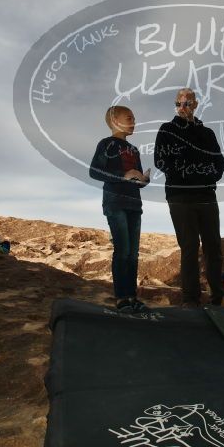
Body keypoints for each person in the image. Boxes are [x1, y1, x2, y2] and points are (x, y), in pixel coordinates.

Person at [155, 88, 224, 307]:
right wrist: (190, 173)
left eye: (186, 103)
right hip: (180, 196)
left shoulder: (208, 133)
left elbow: (218, 163)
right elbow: (161, 160)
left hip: (206, 196)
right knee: (189, 246)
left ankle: (218, 298)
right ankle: (190, 300)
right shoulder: (167, 130)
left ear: (195, 104)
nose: (181, 107)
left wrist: (206, 176)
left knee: (213, 246)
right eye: (178, 103)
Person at [90, 105, 150, 312]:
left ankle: (132, 297)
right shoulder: (106, 144)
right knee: (122, 250)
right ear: (115, 120)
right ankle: (122, 298)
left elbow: (137, 177)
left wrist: (143, 180)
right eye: (129, 117)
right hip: (115, 203)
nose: (134, 121)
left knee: (133, 254)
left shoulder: (134, 150)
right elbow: (94, 171)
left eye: (134, 117)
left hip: (135, 203)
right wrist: (122, 175)